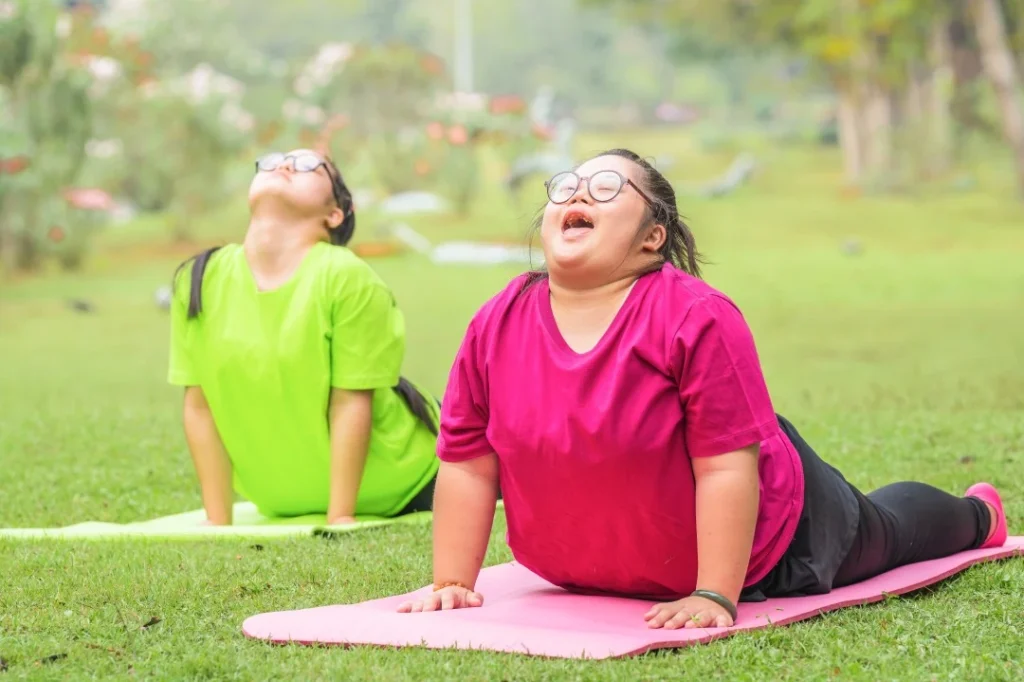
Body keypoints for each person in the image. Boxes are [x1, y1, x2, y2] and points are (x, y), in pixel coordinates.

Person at [396, 148, 1009, 628]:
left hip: (773, 527)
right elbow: (469, 463)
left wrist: (714, 591)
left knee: (890, 531)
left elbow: (723, 468)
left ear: (652, 236)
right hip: (593, 566)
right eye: (567, 186)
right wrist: (453, 580)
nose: (579, 192)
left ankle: (979, 517)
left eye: (608, 188)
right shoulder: (494, 323)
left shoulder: (695, 315)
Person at [168, 149, 440, 525]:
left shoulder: (345, 275)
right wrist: (218, 522)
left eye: (310, 165)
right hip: (279, 498)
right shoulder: (200, 277)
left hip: (409, 477)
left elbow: (350, 401)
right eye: (275, 159)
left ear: (334, 214)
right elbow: (199, 406)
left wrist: (339, 518)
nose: (284, 165)